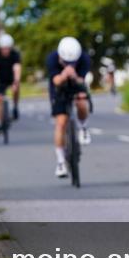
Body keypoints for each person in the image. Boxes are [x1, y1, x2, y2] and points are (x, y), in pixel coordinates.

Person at [47, 36, 92, 178]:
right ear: (60, 58)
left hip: (76, 84)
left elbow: (83, 81)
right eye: (66, 62)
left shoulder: (84, 59)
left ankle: (83, 127)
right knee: (60, 122)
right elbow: (55, 81)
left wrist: (74, 76)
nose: (70, 64)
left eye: (73, 62)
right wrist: (64, 75)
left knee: (82, 102)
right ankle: (60, 162)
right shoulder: (52, 59)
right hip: (59, 87)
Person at [0, 33, 22, 133]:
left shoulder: (15, 54)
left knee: (16, 88)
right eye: (4, 48)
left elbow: (17, 68)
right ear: (0, 48)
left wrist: (16, 81)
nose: (6, 51)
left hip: (10, 78)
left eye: (7, 48)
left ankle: (15, 106)